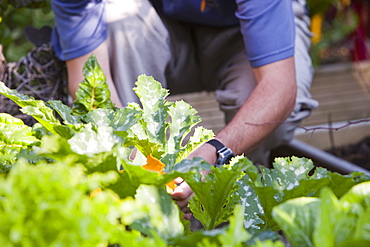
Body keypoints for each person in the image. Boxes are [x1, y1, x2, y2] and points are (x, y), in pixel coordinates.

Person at [51, 0, 318, 215]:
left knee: (260, 107)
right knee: (118, 17)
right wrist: (137, 159)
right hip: (160, 26)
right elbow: (90, 81)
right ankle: (136, 194)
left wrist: (217, 151)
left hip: (242, 33)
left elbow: (279, 88)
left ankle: (243, 193)